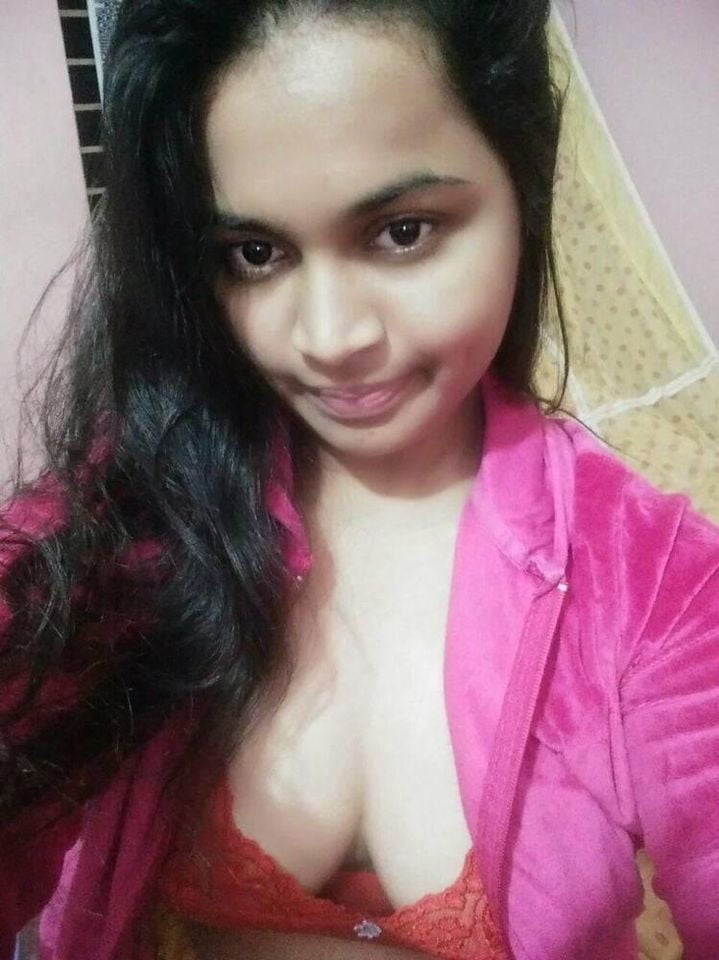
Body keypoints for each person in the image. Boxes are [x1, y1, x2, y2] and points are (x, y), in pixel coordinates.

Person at [1, 1, 718, 958]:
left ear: (524, 187)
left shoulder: (651, 580)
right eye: (255, 254)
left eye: (402, 231)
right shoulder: (139, 511)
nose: (330, 338)